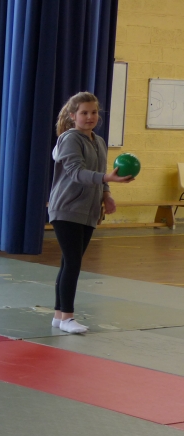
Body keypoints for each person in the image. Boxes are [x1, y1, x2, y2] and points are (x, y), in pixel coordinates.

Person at [48, 91, 132, 334]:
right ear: (73, 115)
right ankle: (68, 317)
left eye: (94, 112)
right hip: (66, 207)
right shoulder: (70, 139)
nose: (90, 117)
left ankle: (57, 315)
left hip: (88, 210)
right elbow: (76, 172)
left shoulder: (99, 141)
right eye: (84, 113)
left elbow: (100, 172)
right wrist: (107, 178)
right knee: (73, 262)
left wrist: (107, 194)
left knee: (69, 263)